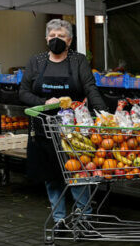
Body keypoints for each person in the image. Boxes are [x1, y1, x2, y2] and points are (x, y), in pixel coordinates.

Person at [19, 19, 107, 227]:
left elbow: (89, 87)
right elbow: (22, 92)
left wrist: (103, 113)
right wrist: (44, 102)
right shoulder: (36, 61)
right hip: (44, 128)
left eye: (60, 37)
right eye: (52, 36)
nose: (55, 40)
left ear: (70, 40)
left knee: (77, 172)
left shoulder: (78, 60)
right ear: (46, 39)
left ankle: (83, 216)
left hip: (73, 131)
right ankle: (59, 218)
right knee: (51, 176)